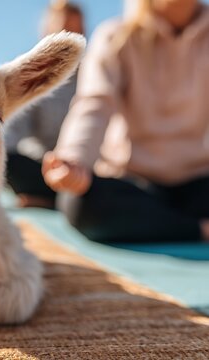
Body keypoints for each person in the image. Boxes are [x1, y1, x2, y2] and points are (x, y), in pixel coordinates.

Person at [42, 0, 209, 243]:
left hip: (198, 179)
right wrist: (74, 159)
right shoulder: (115, 36)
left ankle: (167, 223)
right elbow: (95, 103)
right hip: (133, 181)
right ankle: (198, 229)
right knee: (79, 204)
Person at [4, 1, 85, 208]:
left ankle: (54, 200)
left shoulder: (94, 74)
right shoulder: (34, 74)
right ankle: (54, 198)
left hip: (82, 167)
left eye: (74, 30)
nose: (67, 36)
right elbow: (14, 128)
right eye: (62, 29)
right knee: (2, 157)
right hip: (42, 166)